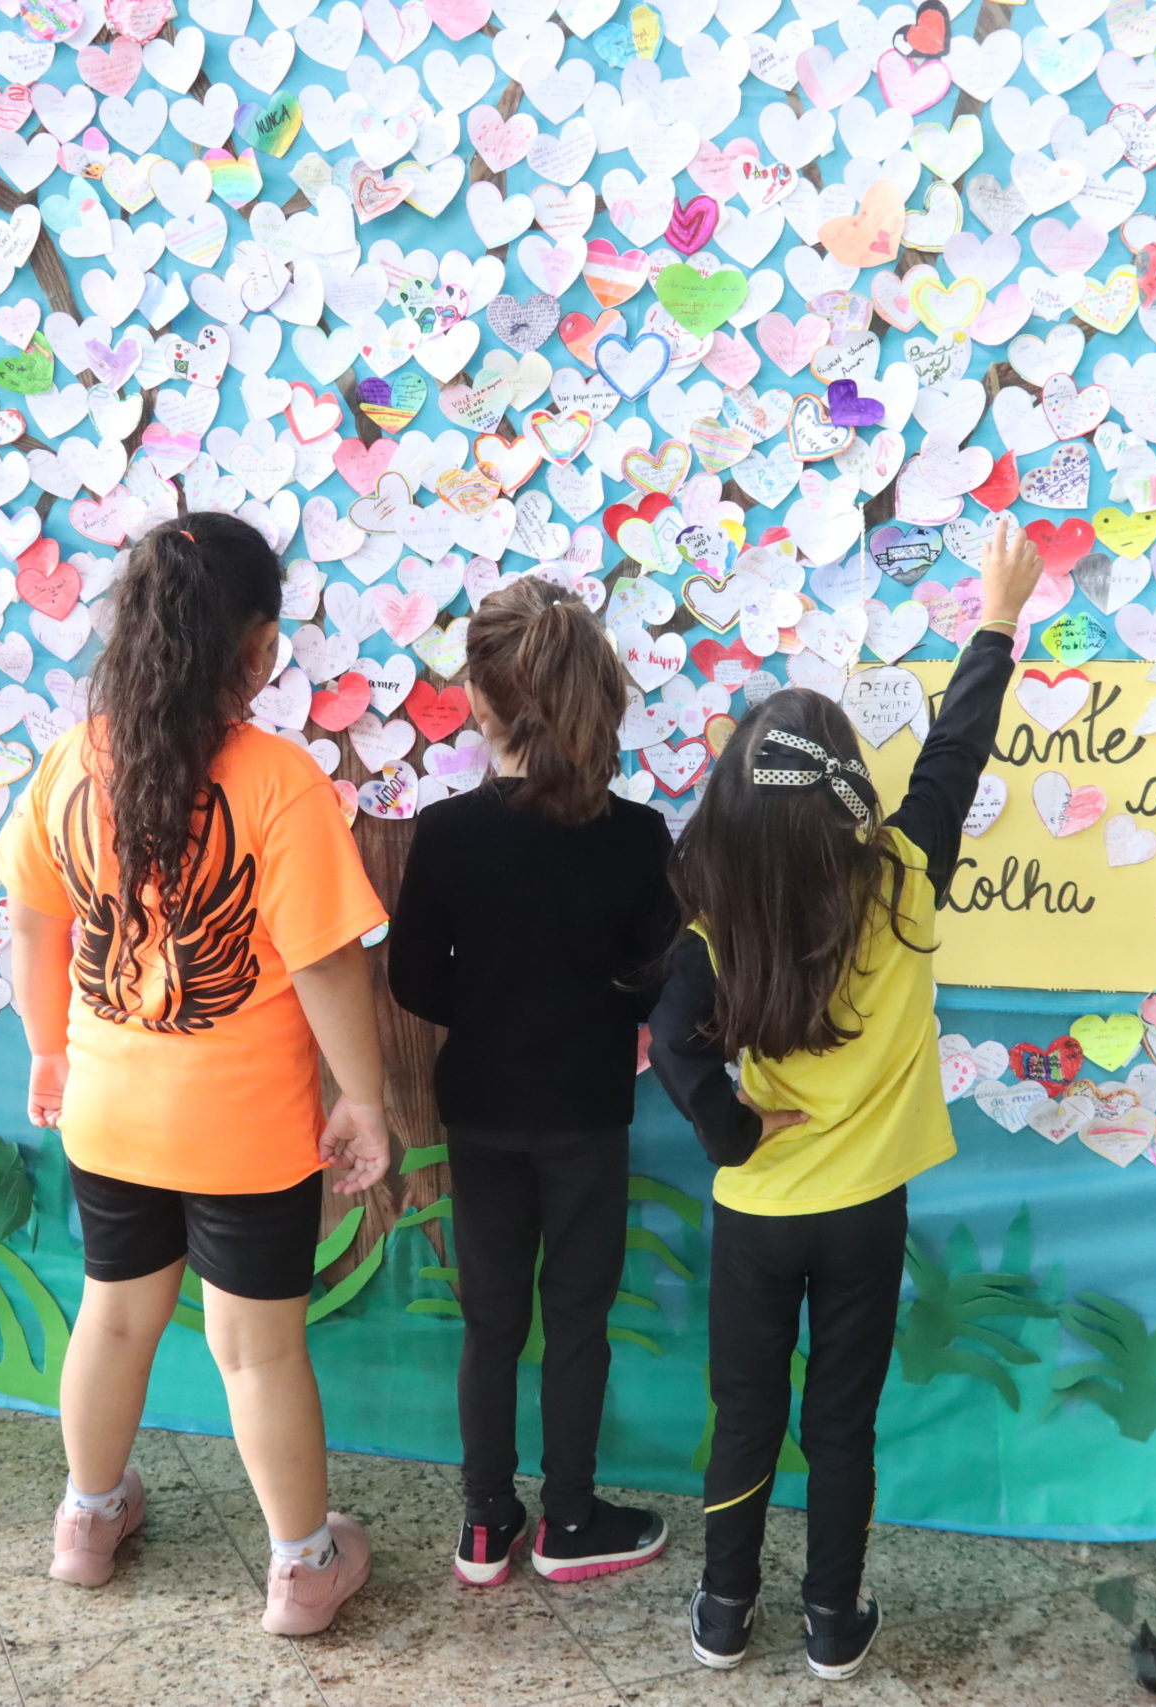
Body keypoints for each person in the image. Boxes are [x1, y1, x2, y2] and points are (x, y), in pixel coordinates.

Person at [647, 520, 1045, 1682]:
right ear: (848, 798)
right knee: (840, 1424)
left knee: (744, 1411)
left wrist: (731, 1130)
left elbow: (672, 1043)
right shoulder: (907, 873)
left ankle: (723, 1611)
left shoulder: (710, 908)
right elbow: (955, 756)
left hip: (758, 1209)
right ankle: (831, 1622)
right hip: (865, 1210)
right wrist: (995, 615)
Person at [0, 513, 393, 1634]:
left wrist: (45, 1048)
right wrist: (363, 1097)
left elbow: (30, 919)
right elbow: (321, 962)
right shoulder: (278, 781)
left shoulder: (75, 760)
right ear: (257, 649)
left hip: (109, 1109)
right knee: (256, 1349)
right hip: (245, 1129)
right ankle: (304, 1567)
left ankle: (85, 1519)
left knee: (112, 1317)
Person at [386, 576, 680, 1587]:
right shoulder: (638, 838)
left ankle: (482, 1526)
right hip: (586, 1115)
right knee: (579, 1319)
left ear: (479, 700)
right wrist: (598, 1010)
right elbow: (658, 978)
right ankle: (567, 1520)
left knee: (491, 1320)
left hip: (480, 1110)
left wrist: (494, 1007)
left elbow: (413, 978)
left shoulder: (446, 833)